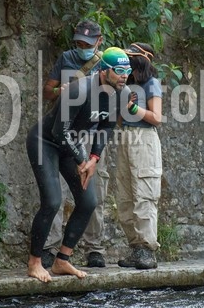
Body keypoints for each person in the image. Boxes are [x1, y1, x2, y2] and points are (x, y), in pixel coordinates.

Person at [26, 47, 132, 283]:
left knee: (88, 202)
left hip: (71, 145)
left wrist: (94, 159)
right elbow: (59, 131)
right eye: (119, 70)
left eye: (128, 70)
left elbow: (106, 127)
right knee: (52, 201)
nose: (124, 76)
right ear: (104, 70)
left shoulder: (121, 93)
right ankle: (34, 263)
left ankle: (62, 260)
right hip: (45, 142)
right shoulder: (79, 90)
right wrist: (82, 160)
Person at [41, 19, 110, 268]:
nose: (83, 48)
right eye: (79, 43)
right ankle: (49, 247)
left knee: (94, 189)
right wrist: (61, 91)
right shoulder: (66, 58)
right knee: (56, 189)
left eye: (88, 44)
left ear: (99, 41)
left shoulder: (106, 63)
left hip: (90, 132)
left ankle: (95, 249)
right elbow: (47, 92)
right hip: (63, 131)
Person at [116, 43, 163, 270]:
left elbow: (157, 117)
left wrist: (134, 110)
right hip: (126, 136)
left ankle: (147, 250)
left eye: (131, 57)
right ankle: (135, 248)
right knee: (124, 196)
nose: (128, 61)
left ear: (142, 59)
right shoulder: (127, 85)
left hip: (144, 138)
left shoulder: (151, 83)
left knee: (144, 194)